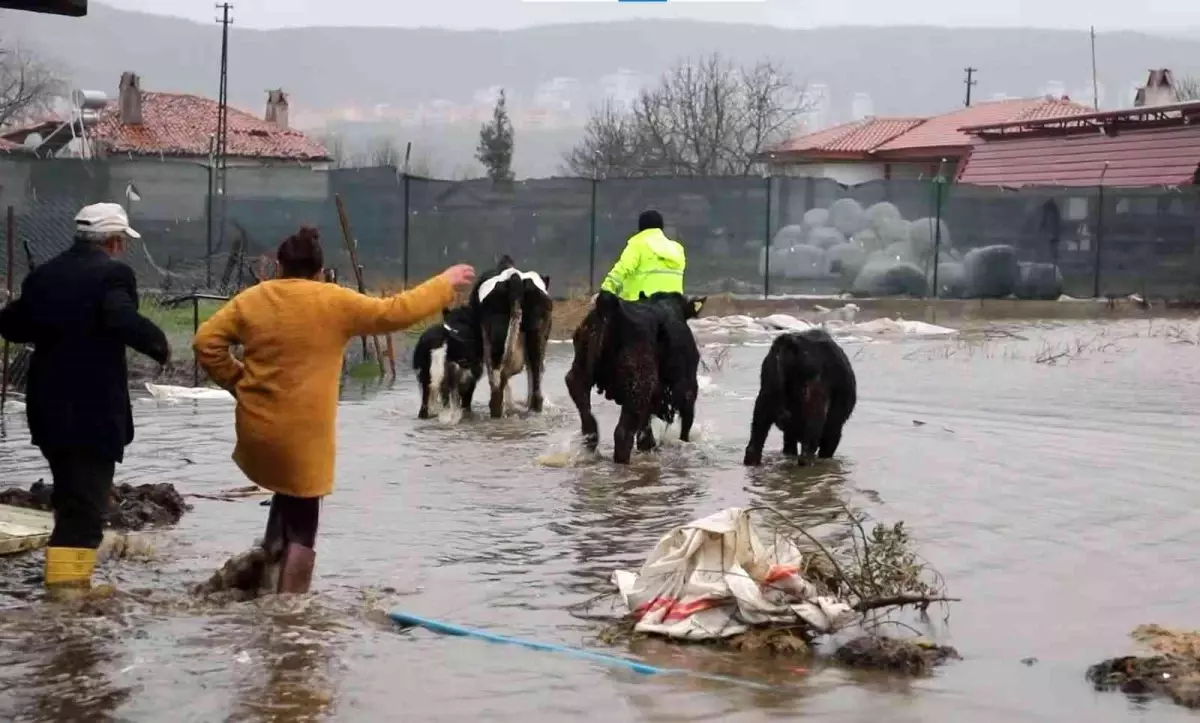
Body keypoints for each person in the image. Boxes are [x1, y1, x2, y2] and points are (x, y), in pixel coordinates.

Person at [193, 225, 475, 595]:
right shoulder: (334, 302)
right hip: (304, 436)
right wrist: (444, 282)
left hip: (258, 430)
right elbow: (396, 312)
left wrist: (238, 381)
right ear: (320, 271)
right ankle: (290, 611)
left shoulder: (253, 299)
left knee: (284, 495)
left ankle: (263, 577)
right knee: (305, 518)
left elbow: (205, 342)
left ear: (278, 265)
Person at [0, 202, 170, 593]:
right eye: (121, 242)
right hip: (91, 416)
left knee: (71, 499)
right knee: (85, 513)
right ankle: (68, 601)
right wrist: (159, 344)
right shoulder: (112, 275)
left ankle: (62, 591)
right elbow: (120, 317)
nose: (122, 250)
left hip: (47, 413)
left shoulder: (45, 275)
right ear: (113, 242)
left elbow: (11, 324)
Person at [599, 209, 686, 302]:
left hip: (640, 307)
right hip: (673, 308)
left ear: (640, 228)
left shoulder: (638, 244)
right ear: (661, 227)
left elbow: (622, 269)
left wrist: (606, 290)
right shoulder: (677, 249)